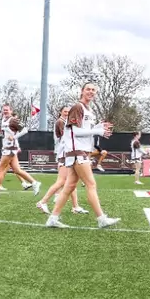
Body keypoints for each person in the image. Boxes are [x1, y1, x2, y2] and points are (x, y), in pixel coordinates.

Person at [46, 84, 119, 229]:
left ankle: (52, 219)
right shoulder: (78, 107)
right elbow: (75, 132)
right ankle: (101, 219)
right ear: (82, 91)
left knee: (69, 186)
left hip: (80, 151)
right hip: (76, 151)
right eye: (88, 89)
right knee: (91, 184)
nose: (91, 92)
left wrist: (97, 127)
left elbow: (85, 130)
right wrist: (97, 131)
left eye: (93, 90)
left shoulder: (89, 110)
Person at [37, 107, 87, 216]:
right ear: (60, 112)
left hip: (68, 154)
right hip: (64, 154)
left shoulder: (67, 123)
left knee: (72, 182)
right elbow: (69, 136)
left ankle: (75, 206)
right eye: (65, 111)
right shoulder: (61, 122)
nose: (67, 113)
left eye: (69, 112)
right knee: (62, 181)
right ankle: (43, 201)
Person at [0, 107, 39, 198]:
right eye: (4, 109)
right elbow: (4, 134)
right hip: (8, 148)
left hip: (10, 149)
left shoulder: (13, 120)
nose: (5, 111)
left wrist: (14, 137)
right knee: (17, 170)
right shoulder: (3, 120)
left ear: (11, 111)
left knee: (0, 169)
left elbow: (25, 130)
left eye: (7, 110)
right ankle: (34, 182)